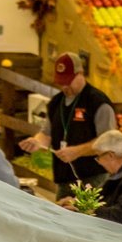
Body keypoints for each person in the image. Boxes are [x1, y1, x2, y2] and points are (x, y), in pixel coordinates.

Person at [18, 52, 114, 192]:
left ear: (80, 73)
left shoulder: (98, 103)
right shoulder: (56, 103)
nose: (65, 87)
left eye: (68, 81)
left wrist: (77, 151)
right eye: (61, 83)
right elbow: (46, 133)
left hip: (95, 179)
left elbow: (108, 142)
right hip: (64, 179)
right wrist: (37, 142)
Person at [61, 129, 122, 230]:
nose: (98, 162)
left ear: (110, 155)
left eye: (99, 156)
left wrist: (88, 210)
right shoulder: (119, 175)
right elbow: (103, 201)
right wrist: (78, 202)